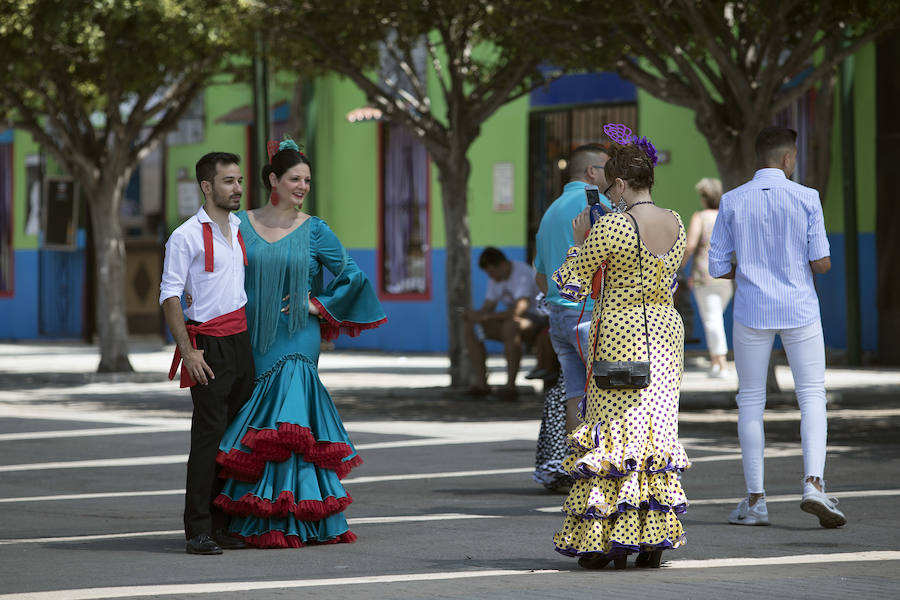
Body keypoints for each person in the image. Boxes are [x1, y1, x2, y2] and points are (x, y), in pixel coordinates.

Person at [211, 138, 387, 548]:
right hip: (249, 336)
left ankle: (297, 518)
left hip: (296, 339)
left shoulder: (316, 229)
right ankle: (253, 516)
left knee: (289, 423)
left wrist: (317, 304)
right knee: (258, 425)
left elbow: (352, 276)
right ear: (273, 178)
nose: (303, 186)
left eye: (307, 179)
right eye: (295, 178)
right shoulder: (240, 225)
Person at [551, 126, 689, 569]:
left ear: (622, 184)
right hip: (665, 333)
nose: (608, 194)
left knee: (613, 431)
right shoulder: (676, 221)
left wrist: (577, 242)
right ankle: (651, 540)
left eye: (610, 187)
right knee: (656, 429)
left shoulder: (613, 224)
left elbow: (572, 286)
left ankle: (606, 538)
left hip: (620, 330)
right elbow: (669, 278)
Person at [709, 126, 846, 529]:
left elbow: (718, 266)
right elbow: (821, 262)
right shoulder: (807, 198)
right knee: (812, 396)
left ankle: (755, 501)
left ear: (760, 156)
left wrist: (751, 268)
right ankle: (813, 484)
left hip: (752, 309)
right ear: (788, 158)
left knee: (750, 401)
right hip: (800, 308)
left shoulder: (732, 200)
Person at [160, 152, 256, 555]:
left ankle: (222, 525)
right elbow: (169, 294)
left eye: (238, 180)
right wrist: (189, 351)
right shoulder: (184, 236)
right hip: (208, 345)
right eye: (229, 181)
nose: (237, 188)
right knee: (207, 438)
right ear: (207, 186)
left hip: (240, 342)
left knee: (234, 438)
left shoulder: (237, 228)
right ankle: (197, 529)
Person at [532, 143, 611, 491]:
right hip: (588, 313)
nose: (613, 176)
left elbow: (539, 274)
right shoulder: (596, 205)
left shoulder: (551, 210)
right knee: (605, 394)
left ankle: (580, 470)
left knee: (575, 394)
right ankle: (602, 471)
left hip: (558, 315)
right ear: (591, 173)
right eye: (608, 168)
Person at [463, 247, 551, 401]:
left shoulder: (522, 273)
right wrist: (474, 316)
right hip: (512, 319)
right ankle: (481, 385)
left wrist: (486, 317)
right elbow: (487, 307)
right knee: (471, 328)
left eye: (492, 272)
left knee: (510, 327)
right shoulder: (495, 278)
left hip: (538, 319)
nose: (491, 276)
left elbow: (519, 311)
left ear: (503, 264)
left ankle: (510, 387)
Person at [682, 177, 733, 378]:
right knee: (716, 318)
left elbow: (690, 245)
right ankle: (715, 362)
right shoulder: (726, 216)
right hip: (727, 275)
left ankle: (721, 364)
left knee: (712, 320)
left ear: (705, 197)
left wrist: (680, 266)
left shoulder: (701, 217)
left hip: (705, 274)